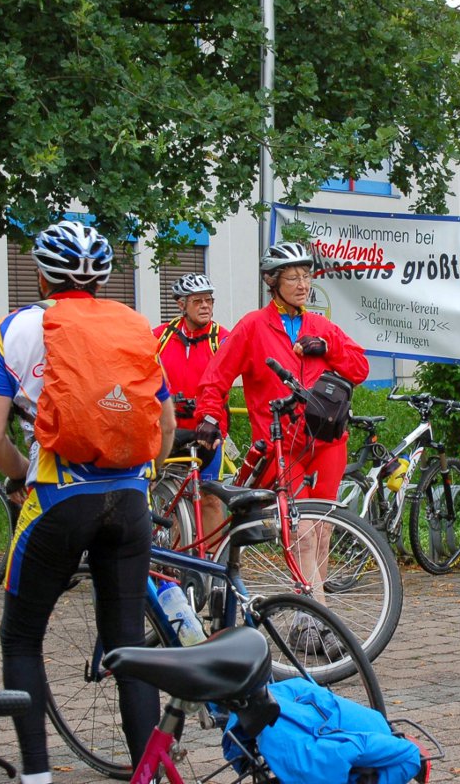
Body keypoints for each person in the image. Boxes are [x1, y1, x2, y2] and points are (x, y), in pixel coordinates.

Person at [0, 220, 175, 784]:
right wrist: (138, 474)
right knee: (129, 646)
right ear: (104, 279)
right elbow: (165, 422)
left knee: (21, 637)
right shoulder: (135, 326)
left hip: (60, 497)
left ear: (41, 275)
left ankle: (37, 776)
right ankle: (147, 776)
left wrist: (21, 477)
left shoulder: (18, 327)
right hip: (130, 498)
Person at [193, 241, 368, 655]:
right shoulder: (253, 326)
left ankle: (308, 620)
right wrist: (210, 416)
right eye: (293, 276)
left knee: (322, 531)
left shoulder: (321, 327)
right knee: (303, 532)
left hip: (327, 440)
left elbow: (359, 367)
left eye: (307, 276)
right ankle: (319, 619)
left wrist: (329, 349)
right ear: (273, 281)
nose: (303, 284)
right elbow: (216, 378)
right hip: (283, 444)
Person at [153, 272, 229, 541]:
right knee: (169, 496)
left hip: (207, 433)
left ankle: (211, 562)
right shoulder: (161, 337)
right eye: (198, 301)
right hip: (169, 430)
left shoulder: (222, 338)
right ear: (181, 304)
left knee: (209, 498)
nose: (206, 306)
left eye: (209, 300)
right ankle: (174, 559)